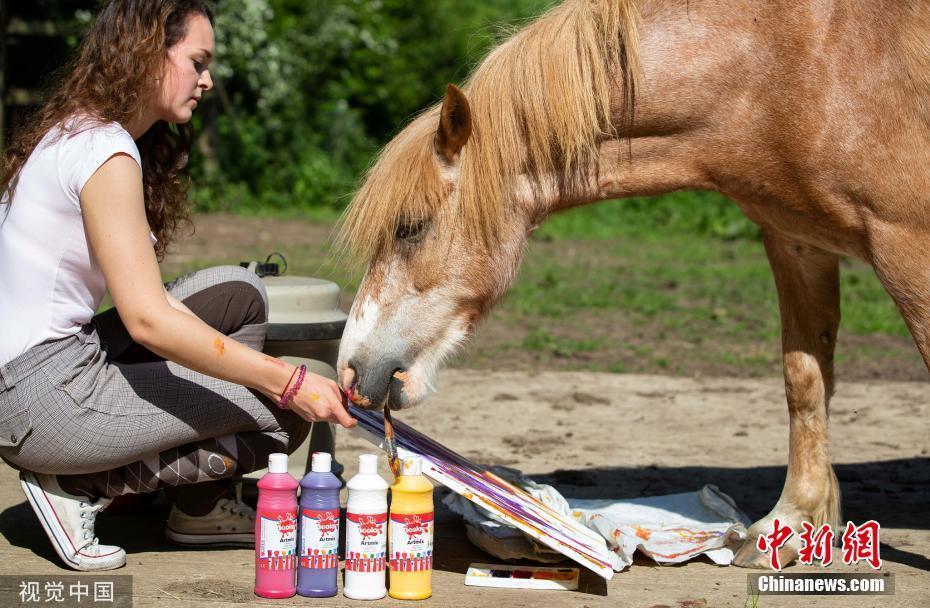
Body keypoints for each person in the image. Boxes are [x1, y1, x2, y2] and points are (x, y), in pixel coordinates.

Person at [0, 0, 356, 571]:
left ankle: (196, 508)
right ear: (148, 54)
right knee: (282, 415)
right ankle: (79, 484)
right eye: (198, 61)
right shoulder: (104, 152)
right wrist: (287, 382)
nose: (207, 79)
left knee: (239, 292)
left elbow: (153, 305)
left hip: (39, 373)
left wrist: (246, 371)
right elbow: (147, 321)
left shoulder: (77, 132)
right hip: (41, 398)